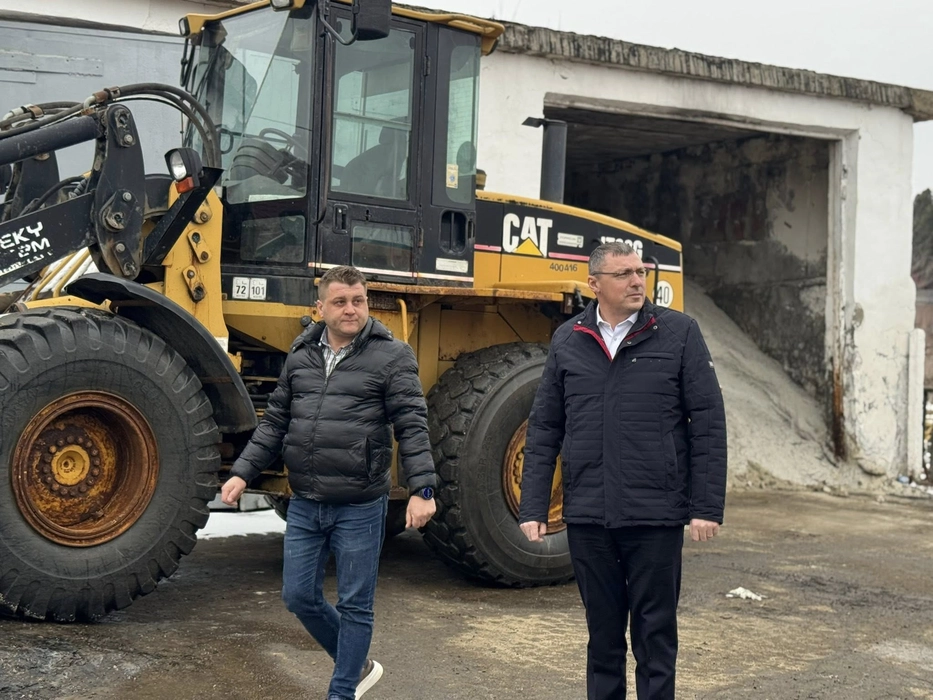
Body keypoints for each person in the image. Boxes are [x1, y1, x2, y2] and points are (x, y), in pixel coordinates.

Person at [519, 241, 727, 700]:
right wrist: (533, 505)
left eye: (640, 272)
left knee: (655, 638)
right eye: (624, 274)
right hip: (590, 515)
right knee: (603, 639)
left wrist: (706, 506)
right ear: (594, 284)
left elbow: (708, 422)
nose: (637, 282)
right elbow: (546, 427)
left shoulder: (679, 333)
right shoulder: (568, 338)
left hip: (655, 514)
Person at [221, 265, 437, 700]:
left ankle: (342, 690)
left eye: (358, 301)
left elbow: (412, 425)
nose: (351, 309)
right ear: (320, 308)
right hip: (306, 500)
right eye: (340, 302)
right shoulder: (301, 354)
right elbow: (275, 423)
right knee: (298, 596)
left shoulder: (392, 356)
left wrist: (422, 490)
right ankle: (358, 666)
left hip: (360, 504)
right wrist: (242, 472)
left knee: (355, 604)